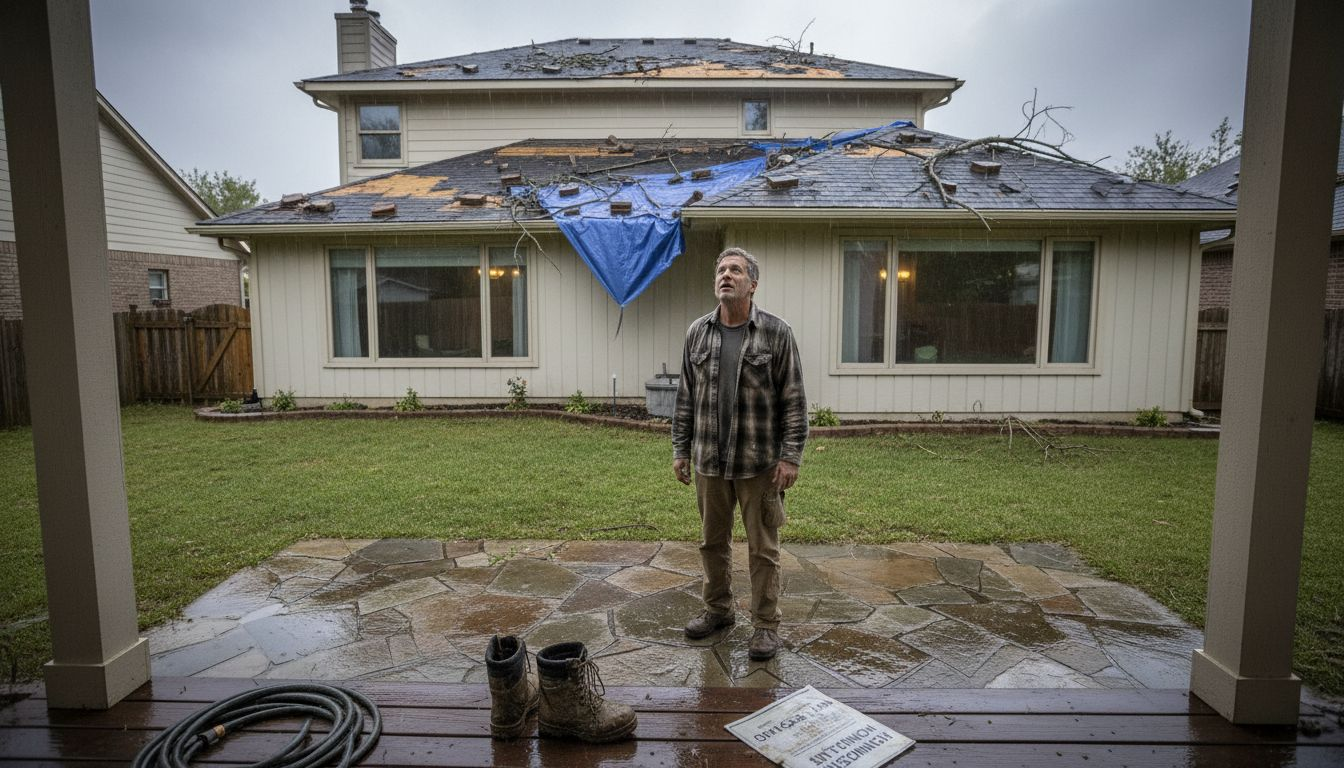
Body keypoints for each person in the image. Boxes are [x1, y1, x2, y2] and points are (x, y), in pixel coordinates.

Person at [671, 247, 807, 661]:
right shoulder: (698, 332)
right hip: (710, 462)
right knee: (712, 543)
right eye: (721, 269)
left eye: (735, 270)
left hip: (759, 465)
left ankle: (765, 626)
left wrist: (790, 457)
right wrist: (680, 449)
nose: (726, 275)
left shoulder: (776, 333)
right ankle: (718, 610)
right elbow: (685, 398)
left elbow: (795, 401)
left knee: (763, 549)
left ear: (752, 284)